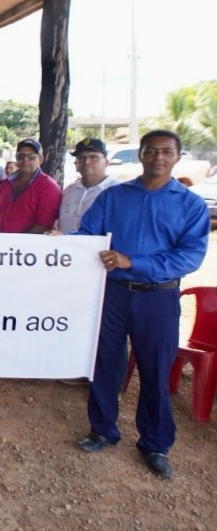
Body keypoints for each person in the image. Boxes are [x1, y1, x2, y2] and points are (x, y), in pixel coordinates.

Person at [73, 130, 209, 480]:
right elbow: (88, 235)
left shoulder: (190, 205)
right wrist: (60, 245)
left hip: (158, 298)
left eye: (166, 152)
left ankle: (155, 443)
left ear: (177, 156)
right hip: (113, 294)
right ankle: (102, 430)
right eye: (151, 151)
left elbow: (189, 257)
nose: (158, 158)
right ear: (141, 155)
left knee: (154, 370)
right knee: (105, 363)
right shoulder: (115, 197)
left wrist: (132, 262)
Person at [0, 138, 62, 233]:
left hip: (30, 246)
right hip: (2, 244)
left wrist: (18, 243)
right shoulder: (5, 183)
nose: (25, 160)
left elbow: (44, 224)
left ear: (40, 159)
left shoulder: (49, 187)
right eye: (21, 156)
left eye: (31, 156)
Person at [57, 138, 119, 233]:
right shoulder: (69, 191)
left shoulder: (118, 192)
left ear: (106, 162)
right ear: (75, 164)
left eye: (93, 157)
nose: (86, 162)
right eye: (81, 158)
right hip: (64, 247)